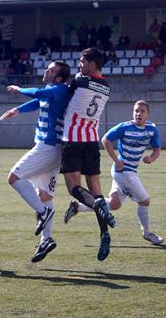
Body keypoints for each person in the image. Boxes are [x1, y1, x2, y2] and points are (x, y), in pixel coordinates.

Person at [0, 61, 70, 263]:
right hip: (52, 149)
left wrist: (19, 89)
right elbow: (39, 101)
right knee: (44, 194)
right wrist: (18, 110)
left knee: (14, 178)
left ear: (58, 77)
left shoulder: (59, 89)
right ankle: (46, 240)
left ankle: (42, 212)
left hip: (47, 147)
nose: (46, 71)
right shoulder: (52, 90)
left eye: (51, 70)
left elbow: (37, 95)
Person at [65, 100, 164, 245]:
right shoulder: (125, 127)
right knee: (145, 201)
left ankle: (77, 207)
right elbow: (105, 140)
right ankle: (147, 233)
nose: (138, 114)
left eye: (142, 111)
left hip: (130, 171)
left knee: (114, 204)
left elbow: (157, 149)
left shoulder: (152, 129)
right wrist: (116, 161)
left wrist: (151, 158)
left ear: (148, 114)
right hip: (123, 171)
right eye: (136, 111)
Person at [60, 47, 115, 261]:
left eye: (82, 61)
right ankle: (104, 234)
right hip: (91, 141)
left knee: (74, 188)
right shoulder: (106, 86)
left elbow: (63, 92)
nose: (79, 65)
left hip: (73, 140)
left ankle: (98, 206)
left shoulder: (80, 81)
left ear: (92, 63)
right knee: (97, 191)